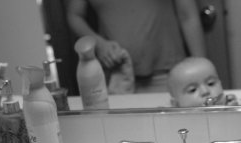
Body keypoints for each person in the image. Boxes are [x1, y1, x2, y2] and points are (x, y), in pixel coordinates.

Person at [66, 0, 207, 93]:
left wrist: (202, 71)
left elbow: (188, 16)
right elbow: (74, 15)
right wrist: (98, 43)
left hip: (167, 74)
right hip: (116, 77)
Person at [167, 57, 241, 107]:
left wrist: (236, 110)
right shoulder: (178, 122)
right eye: (192, 90)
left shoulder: (230, 104)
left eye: (211, 83)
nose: (205, 91)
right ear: (176, 104)